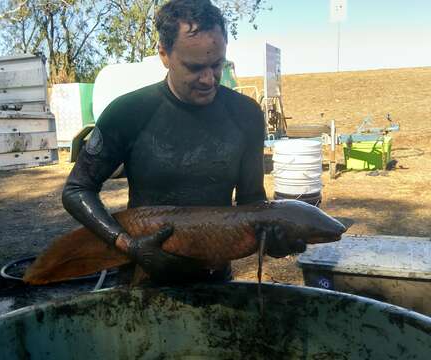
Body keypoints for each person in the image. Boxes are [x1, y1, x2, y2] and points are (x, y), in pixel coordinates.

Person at [62, 0, 305, 284]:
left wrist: (273, 236)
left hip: (214, 279)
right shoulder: (128, 112)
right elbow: (77, 189)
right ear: (164, 55)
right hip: (143, 277)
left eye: (217, 65)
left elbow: (252, 201)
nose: (208, 79)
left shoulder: (246, 114)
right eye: (194, 67)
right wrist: (127, 244)